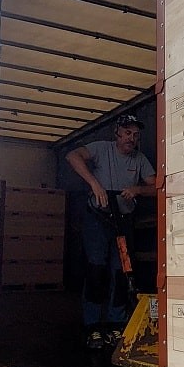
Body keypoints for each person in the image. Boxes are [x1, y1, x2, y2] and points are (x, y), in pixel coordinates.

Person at [66, 114, 156, 349]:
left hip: (123, 221)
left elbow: (157, 185)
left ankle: (117, 323)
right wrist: (94, 183)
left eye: (136, 135)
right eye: (127, 133)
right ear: (117, 133)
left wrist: (137, 189)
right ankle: (93, 326)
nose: (132, 138)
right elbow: (72, 156)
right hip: (98, 219)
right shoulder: (101, 149)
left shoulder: (140, 159)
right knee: (96, 269)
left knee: (121, 271)